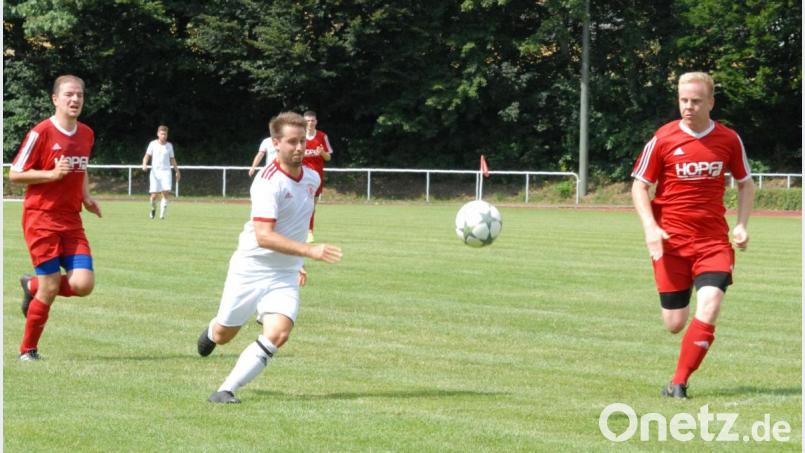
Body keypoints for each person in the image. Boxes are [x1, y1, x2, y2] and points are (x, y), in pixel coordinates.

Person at [196, 111, 343, 404]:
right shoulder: (267, 181)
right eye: (292, 142)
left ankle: (226, 390)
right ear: (276, 143)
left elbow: (299, 223)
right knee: (226, 333)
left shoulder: (312, 179)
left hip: (284, 274)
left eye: (302, 141)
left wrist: (297, 262)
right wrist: (309, 251)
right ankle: (213, 331)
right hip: (251, 269)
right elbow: (264, 235)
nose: (300, 148)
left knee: (279, 333)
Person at [631, 72, 754, 399]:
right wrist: (650, 228)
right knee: (674, 323)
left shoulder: (729, 139)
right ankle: (679, 368)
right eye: (684, 100)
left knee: (711, 301)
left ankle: (679, 382)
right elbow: (639, 185)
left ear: (711, 102)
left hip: (712, 242)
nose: (688, 106)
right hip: (670, 243)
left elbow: (746, 183)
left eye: (696, 101)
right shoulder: (664, 138)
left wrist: (742, 224)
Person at [9, 74, 103, 361]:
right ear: (55, 99)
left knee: (83, 284)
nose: (75, 100)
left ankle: (32, 285)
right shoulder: (41, 133)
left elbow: (80, 167)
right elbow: (14, 174)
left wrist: (86, 196)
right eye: (69, 95)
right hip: (41, 219)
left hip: (71, 219)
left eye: (80, 95)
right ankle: (28, 351)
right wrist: (50, 174)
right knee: (51, 287)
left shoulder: (86, 133)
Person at [302, 110, 333, 243]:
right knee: (298, 203)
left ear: (316, 122)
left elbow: (328, 157)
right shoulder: (299, 136)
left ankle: (309, 232)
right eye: (307, 120)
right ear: (304, 122)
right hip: (301, 175)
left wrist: (321, 153)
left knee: (311, 205)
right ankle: (296, 230)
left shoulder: (322, 136)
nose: (310, 123)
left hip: (317, 176)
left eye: (312, 120)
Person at [141, 125, 180, 219]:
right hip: (155, 173)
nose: (164, 136)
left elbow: (172, 159)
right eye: (162, 134)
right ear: (158, 134)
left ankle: (162, 215)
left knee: (165, 193)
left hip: (166, 172)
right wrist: (144, 164)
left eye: (165, 134)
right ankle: (153, 209)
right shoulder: (152, 144)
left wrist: (177, 171)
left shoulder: (169, 146)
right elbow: (147, 156)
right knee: (154, 196)